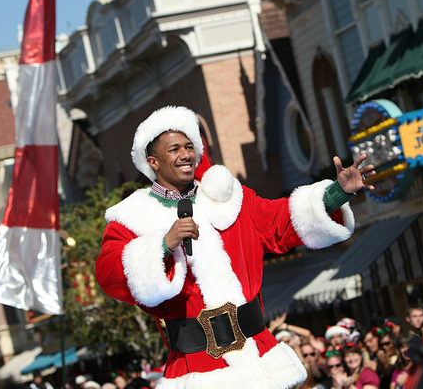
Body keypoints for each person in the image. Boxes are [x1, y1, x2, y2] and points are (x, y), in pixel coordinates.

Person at [95, 106, 375, 388]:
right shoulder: (133, 218)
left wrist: (338, 193)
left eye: (189, 146)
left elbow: (283, 221)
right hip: (198, 370)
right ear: (153, 161)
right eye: (174, 149)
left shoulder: (229, 199)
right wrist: (162, 246)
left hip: (261, 358)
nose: (185, 155)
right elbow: (108, 274)